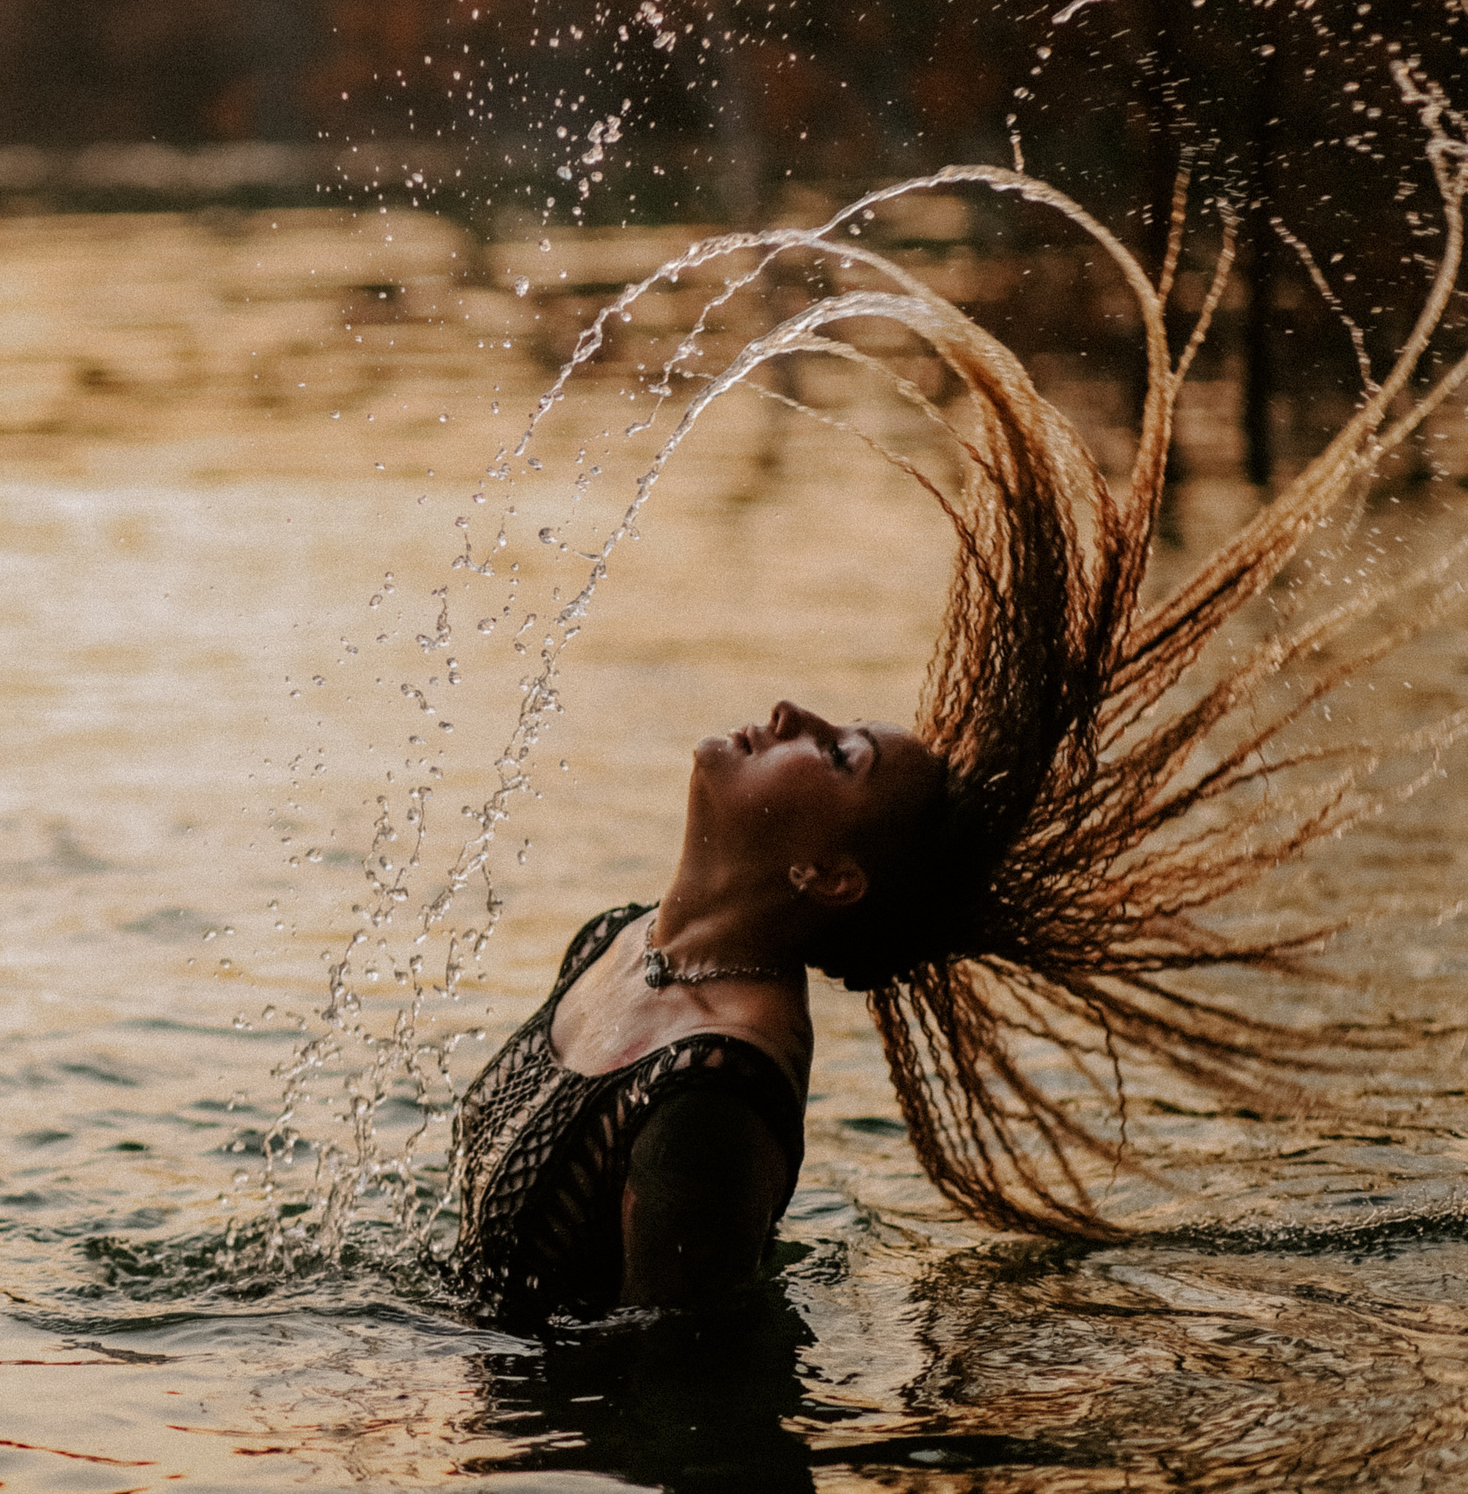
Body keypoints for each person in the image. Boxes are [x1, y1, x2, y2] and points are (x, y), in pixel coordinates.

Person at [452, 154, 1468, 1323]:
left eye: (840, 755)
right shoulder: (618, 940)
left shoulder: (713, 1094)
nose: (794, 716)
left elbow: (671, 1382)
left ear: (828, 873)